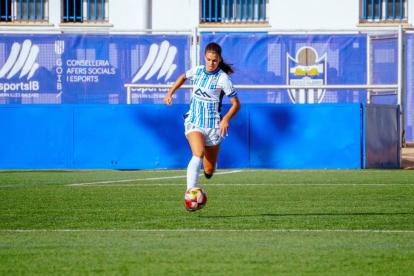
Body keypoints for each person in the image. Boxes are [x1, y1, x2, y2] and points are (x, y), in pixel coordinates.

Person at [163, 42, 241, 212]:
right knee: (197, 153)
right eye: (208, 59)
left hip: (213, 125)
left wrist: (226, 118)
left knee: (209, 169)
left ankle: (209, 171)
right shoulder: (197, 71)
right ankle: (190, 195)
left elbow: (236, 104)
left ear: (219, 59)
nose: (211, 63)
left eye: (214, 60)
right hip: (194, 121)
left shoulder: (223, 79)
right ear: (204, 58)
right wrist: (170, 93)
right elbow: (183, 77)